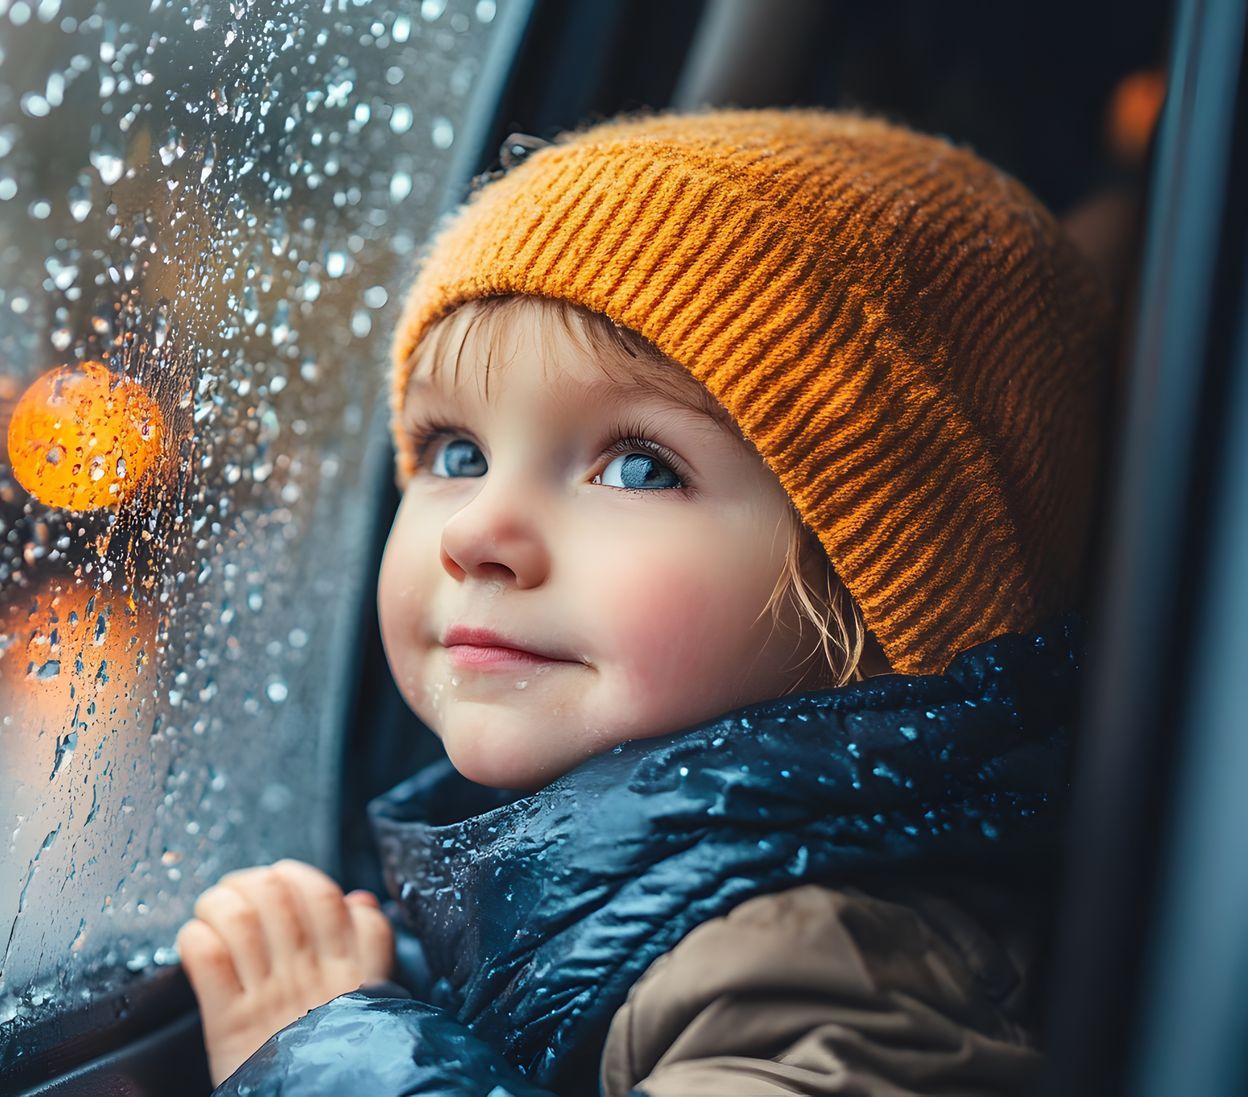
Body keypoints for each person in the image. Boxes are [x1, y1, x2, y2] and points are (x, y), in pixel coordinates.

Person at [174, 109, 1111, 1096]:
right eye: (457, 453)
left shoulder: (817, 960)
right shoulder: (592, 879)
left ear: (883, 589)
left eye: (636, 467)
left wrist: (329, 1058)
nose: (476, 532)